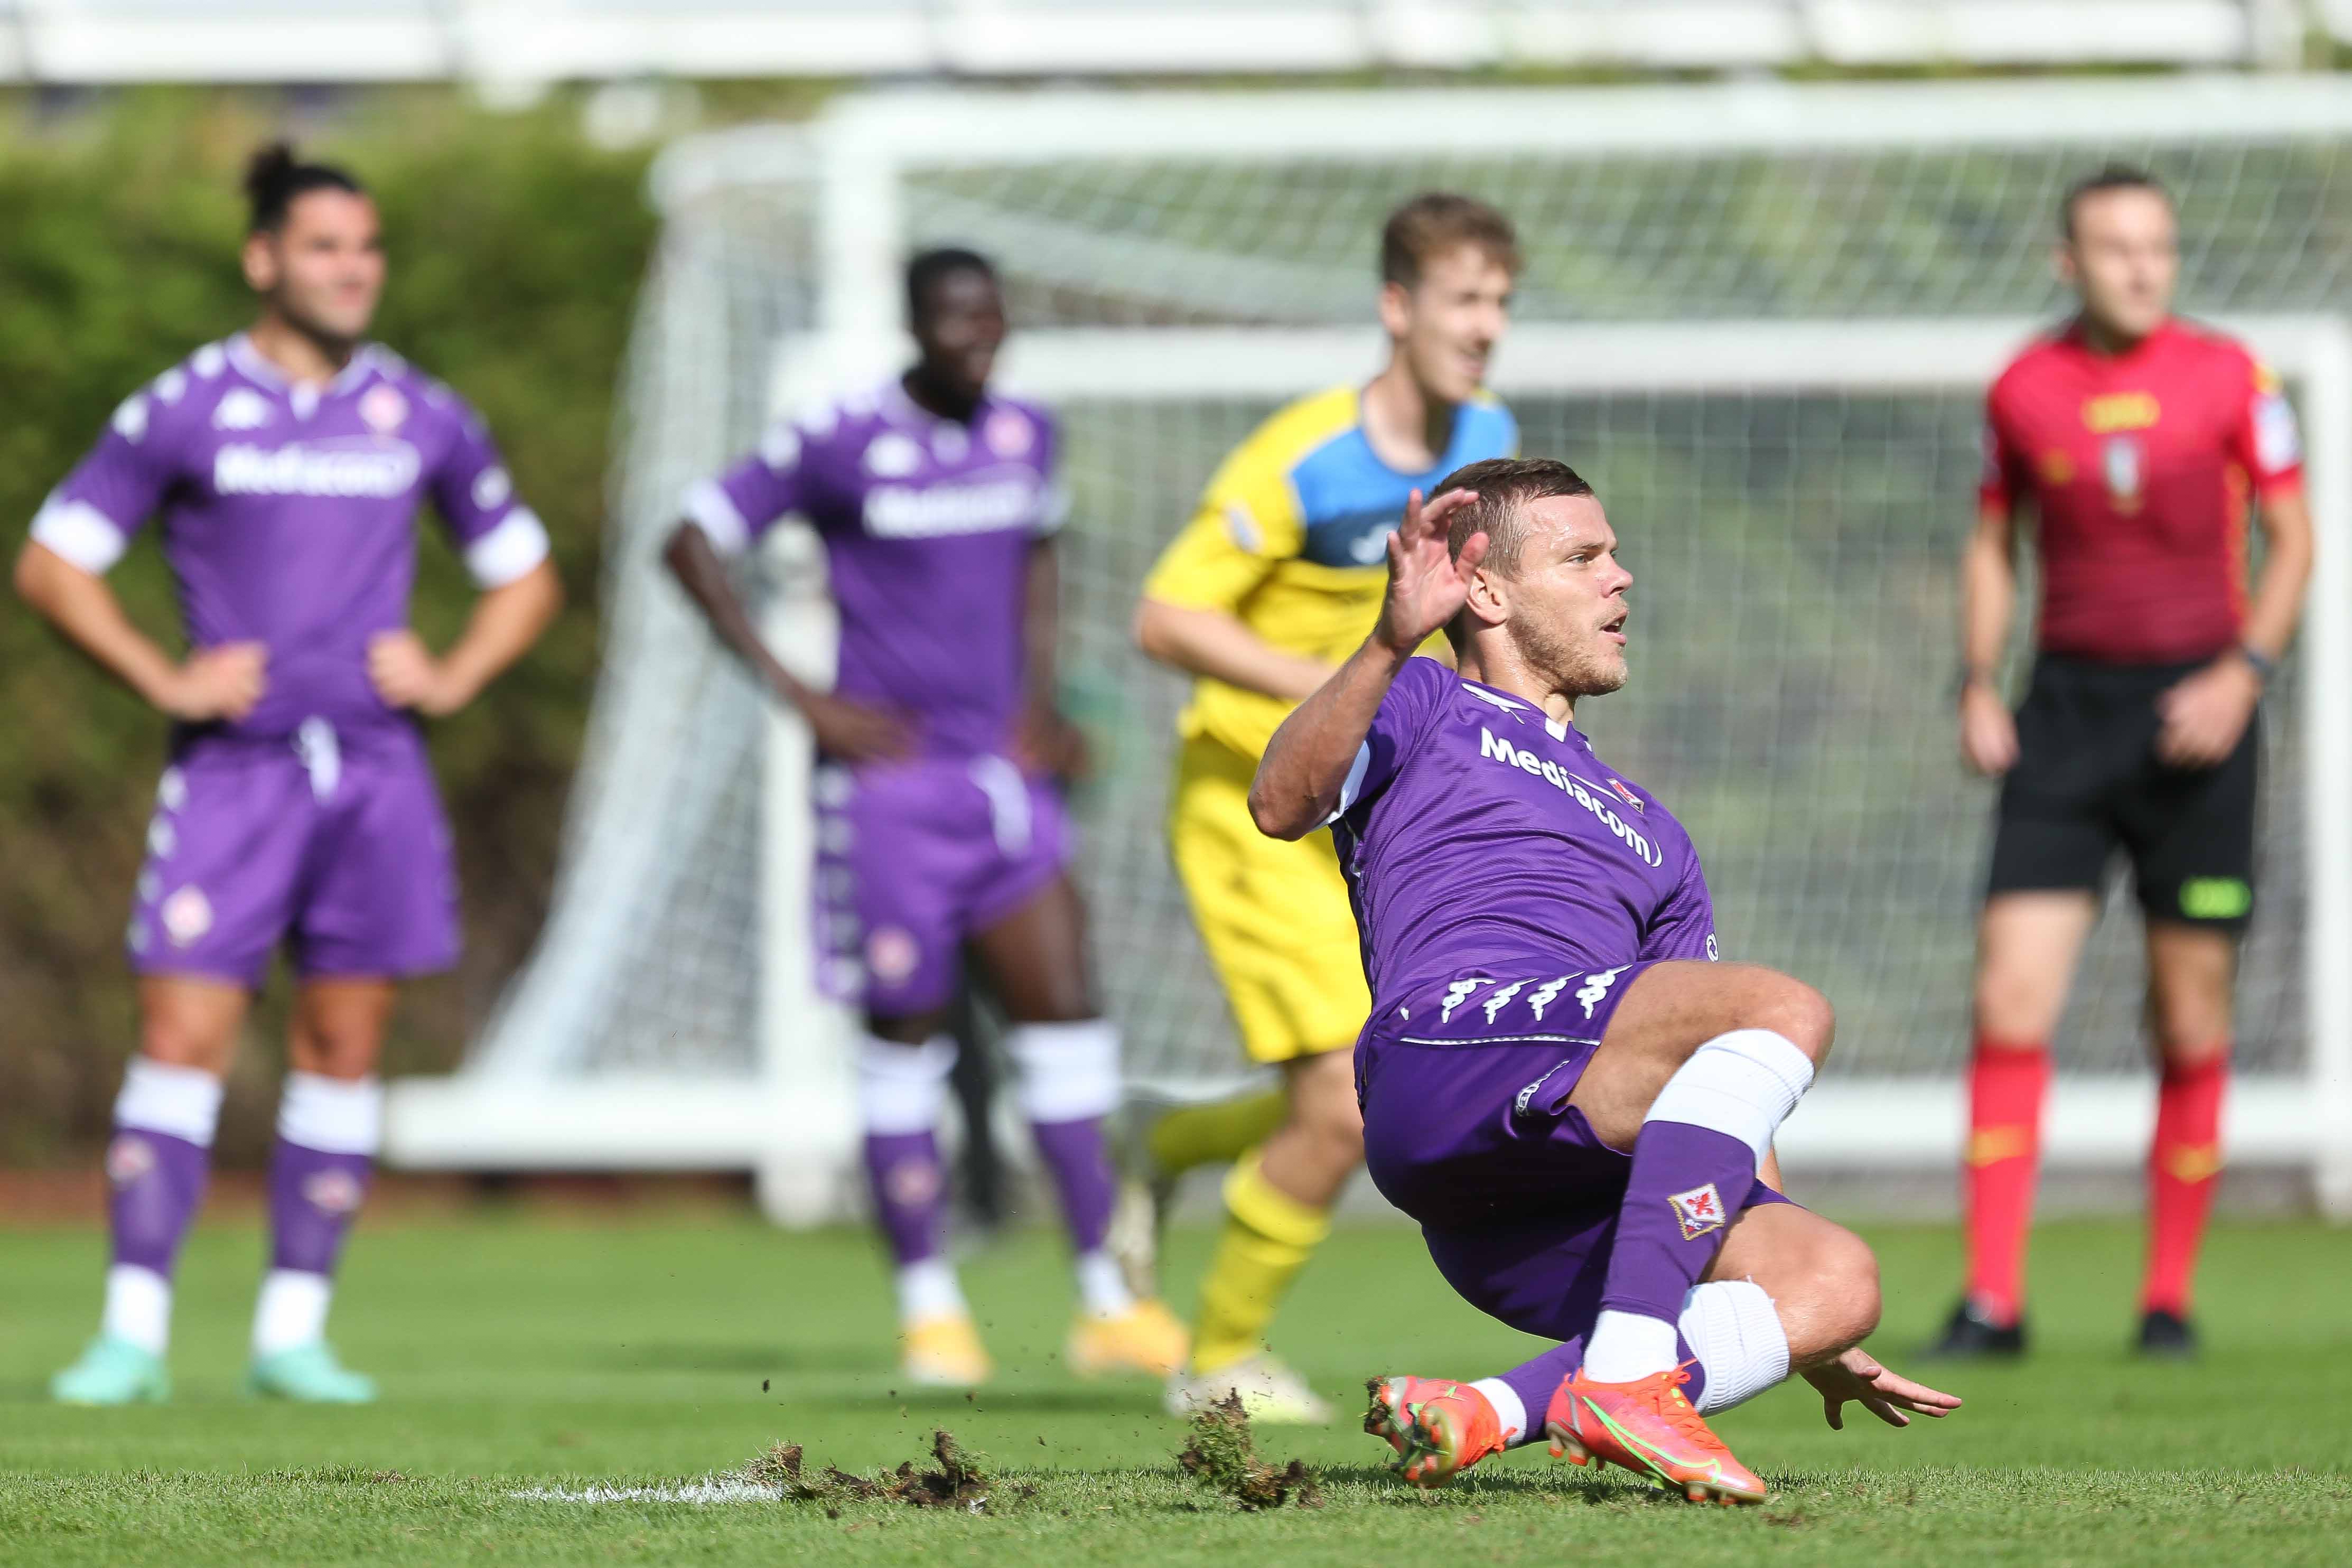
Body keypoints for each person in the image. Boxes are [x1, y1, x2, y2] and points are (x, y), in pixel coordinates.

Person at [1250, 458, 1959, 1502]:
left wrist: (1789, 1316)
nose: (1619, 579)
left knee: (1836, 1277)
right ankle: (1626, 1376)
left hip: (1534, 1191)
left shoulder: (1654, 828)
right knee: (1788, 1005)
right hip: (1446, 1052)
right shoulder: (1421, 697)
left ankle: (1487, 1409)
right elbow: (1279, 800)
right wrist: (1389, 636)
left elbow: (1724, 1079)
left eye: (1615, 555)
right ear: (1485, 591)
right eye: (1583, 557)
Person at [25, 144, 564, 1405]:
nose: (352, 270)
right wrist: (164, 680)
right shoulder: (187, 404)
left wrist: (455, 670)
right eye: (325, 247)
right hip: (234, 774)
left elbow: (527, 576)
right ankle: (133, 1336)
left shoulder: (421, 413)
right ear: (264, 259)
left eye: (367, 248)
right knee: (183, 1035)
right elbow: (55, 562)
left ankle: (294, 1332)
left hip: (376, 773)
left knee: (340, 1042)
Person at [665, 246, 1187, 1388]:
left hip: (1004, 784)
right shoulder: (841, 438)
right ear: (915, 324)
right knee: (906, 1041)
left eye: (991, 318)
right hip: (890, 792)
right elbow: (691, 537)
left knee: (1070, 1022)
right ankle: (929, 1310)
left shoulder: (1024, 435)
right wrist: (804, 695)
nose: (976, 337)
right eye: (955, 320)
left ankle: (1109, 1299)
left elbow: (1038, 558)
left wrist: (1044, 704)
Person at [1128, 193, 1520, 1421]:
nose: (1486, 327)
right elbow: (1165, 616)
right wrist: (1338, 686)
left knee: (1372, 1077)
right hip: (1253, 805)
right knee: (1351, 1096)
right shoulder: (1305, 457)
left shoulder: (1490, 435)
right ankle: (1217, 1361)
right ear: (1397, 307)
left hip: (1370, 814)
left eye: (1502, 303)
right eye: (1464, 299)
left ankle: (1167, 1149)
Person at [1934, 166, 2312, 1360]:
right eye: (2116, 247)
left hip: (2203, 716)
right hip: (2066, 719)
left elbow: (2294, 536)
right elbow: (1995, 540)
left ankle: (2168, 1300)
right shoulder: (2023, 387)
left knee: (2192, 1016)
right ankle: (1992, 1298)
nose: (2143, 267)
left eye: (2159, 246)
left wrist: (2243, 671)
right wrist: (1980, 679)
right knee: (2009, 996)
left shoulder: (2234, 378)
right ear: (2070, 262)